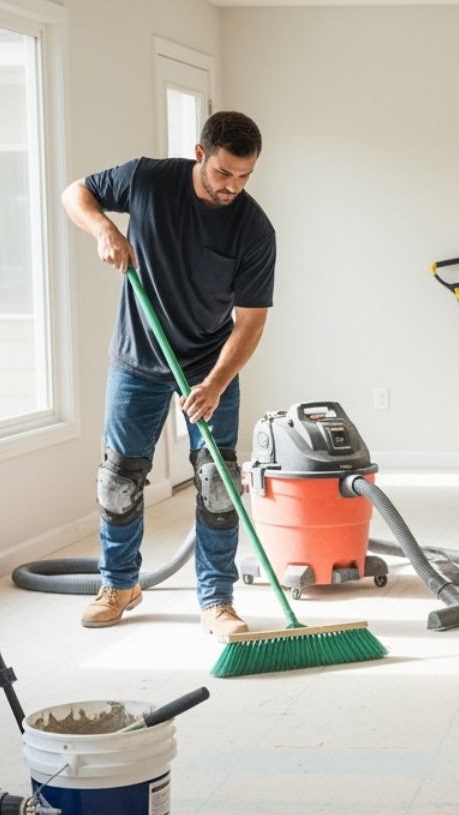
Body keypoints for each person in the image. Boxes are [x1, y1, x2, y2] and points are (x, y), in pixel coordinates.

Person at [62, 111, 276, 639]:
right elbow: (75, 193)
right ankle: (119, 585)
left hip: (209, 365)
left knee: (217, 483)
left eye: (245, 176)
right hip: (139, 357)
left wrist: (217, 383)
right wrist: (105, 228)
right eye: (225, 173)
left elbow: (250, 323)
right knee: (119, 480)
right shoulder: (148, 180)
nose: (233, 187)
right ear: (200, 155)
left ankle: (217, 600)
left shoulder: (254, 228)